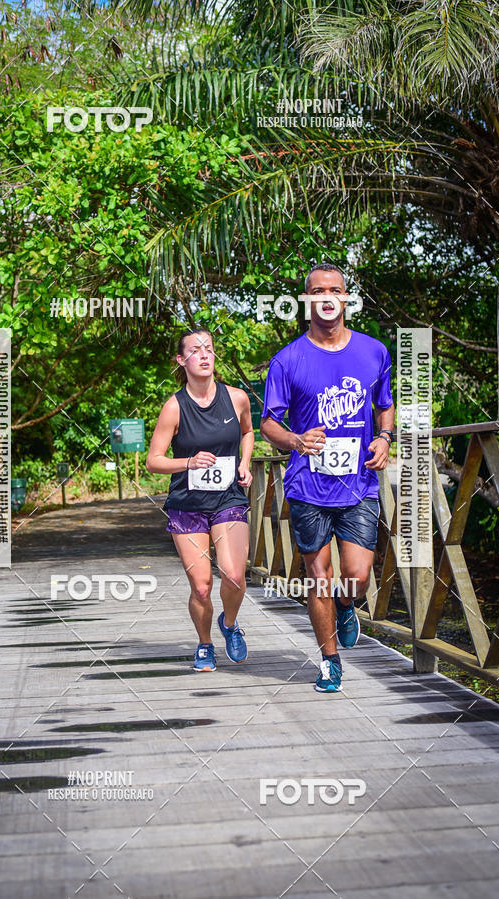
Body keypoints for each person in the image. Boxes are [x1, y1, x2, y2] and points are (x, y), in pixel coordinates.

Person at [260, 263, 395, 693]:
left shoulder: (374, 352)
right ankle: (329, 660)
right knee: (316, 574)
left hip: (358, 483)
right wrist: (297, 440)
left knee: (356, 575)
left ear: (346, 297)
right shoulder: (288, 359)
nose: (326, 296)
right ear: (307, 300)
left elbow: (384, 404)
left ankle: (346, 602)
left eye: (334, 289)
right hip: (307, 485)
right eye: (317, 290)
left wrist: (386, 437)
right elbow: (268, 424)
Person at [146, 329, 254, 671]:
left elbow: (248, 432)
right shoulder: (174, 407)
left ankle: (230, 623)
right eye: (196, 350)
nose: (205, 354)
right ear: (182, 360)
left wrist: (244, 463)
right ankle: (205, 644)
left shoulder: (237, 398)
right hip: (188, 504)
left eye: (209, 348)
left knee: (234, 575)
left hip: (228, 499)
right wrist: (188, 462)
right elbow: (154, 461)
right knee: (203, 586)